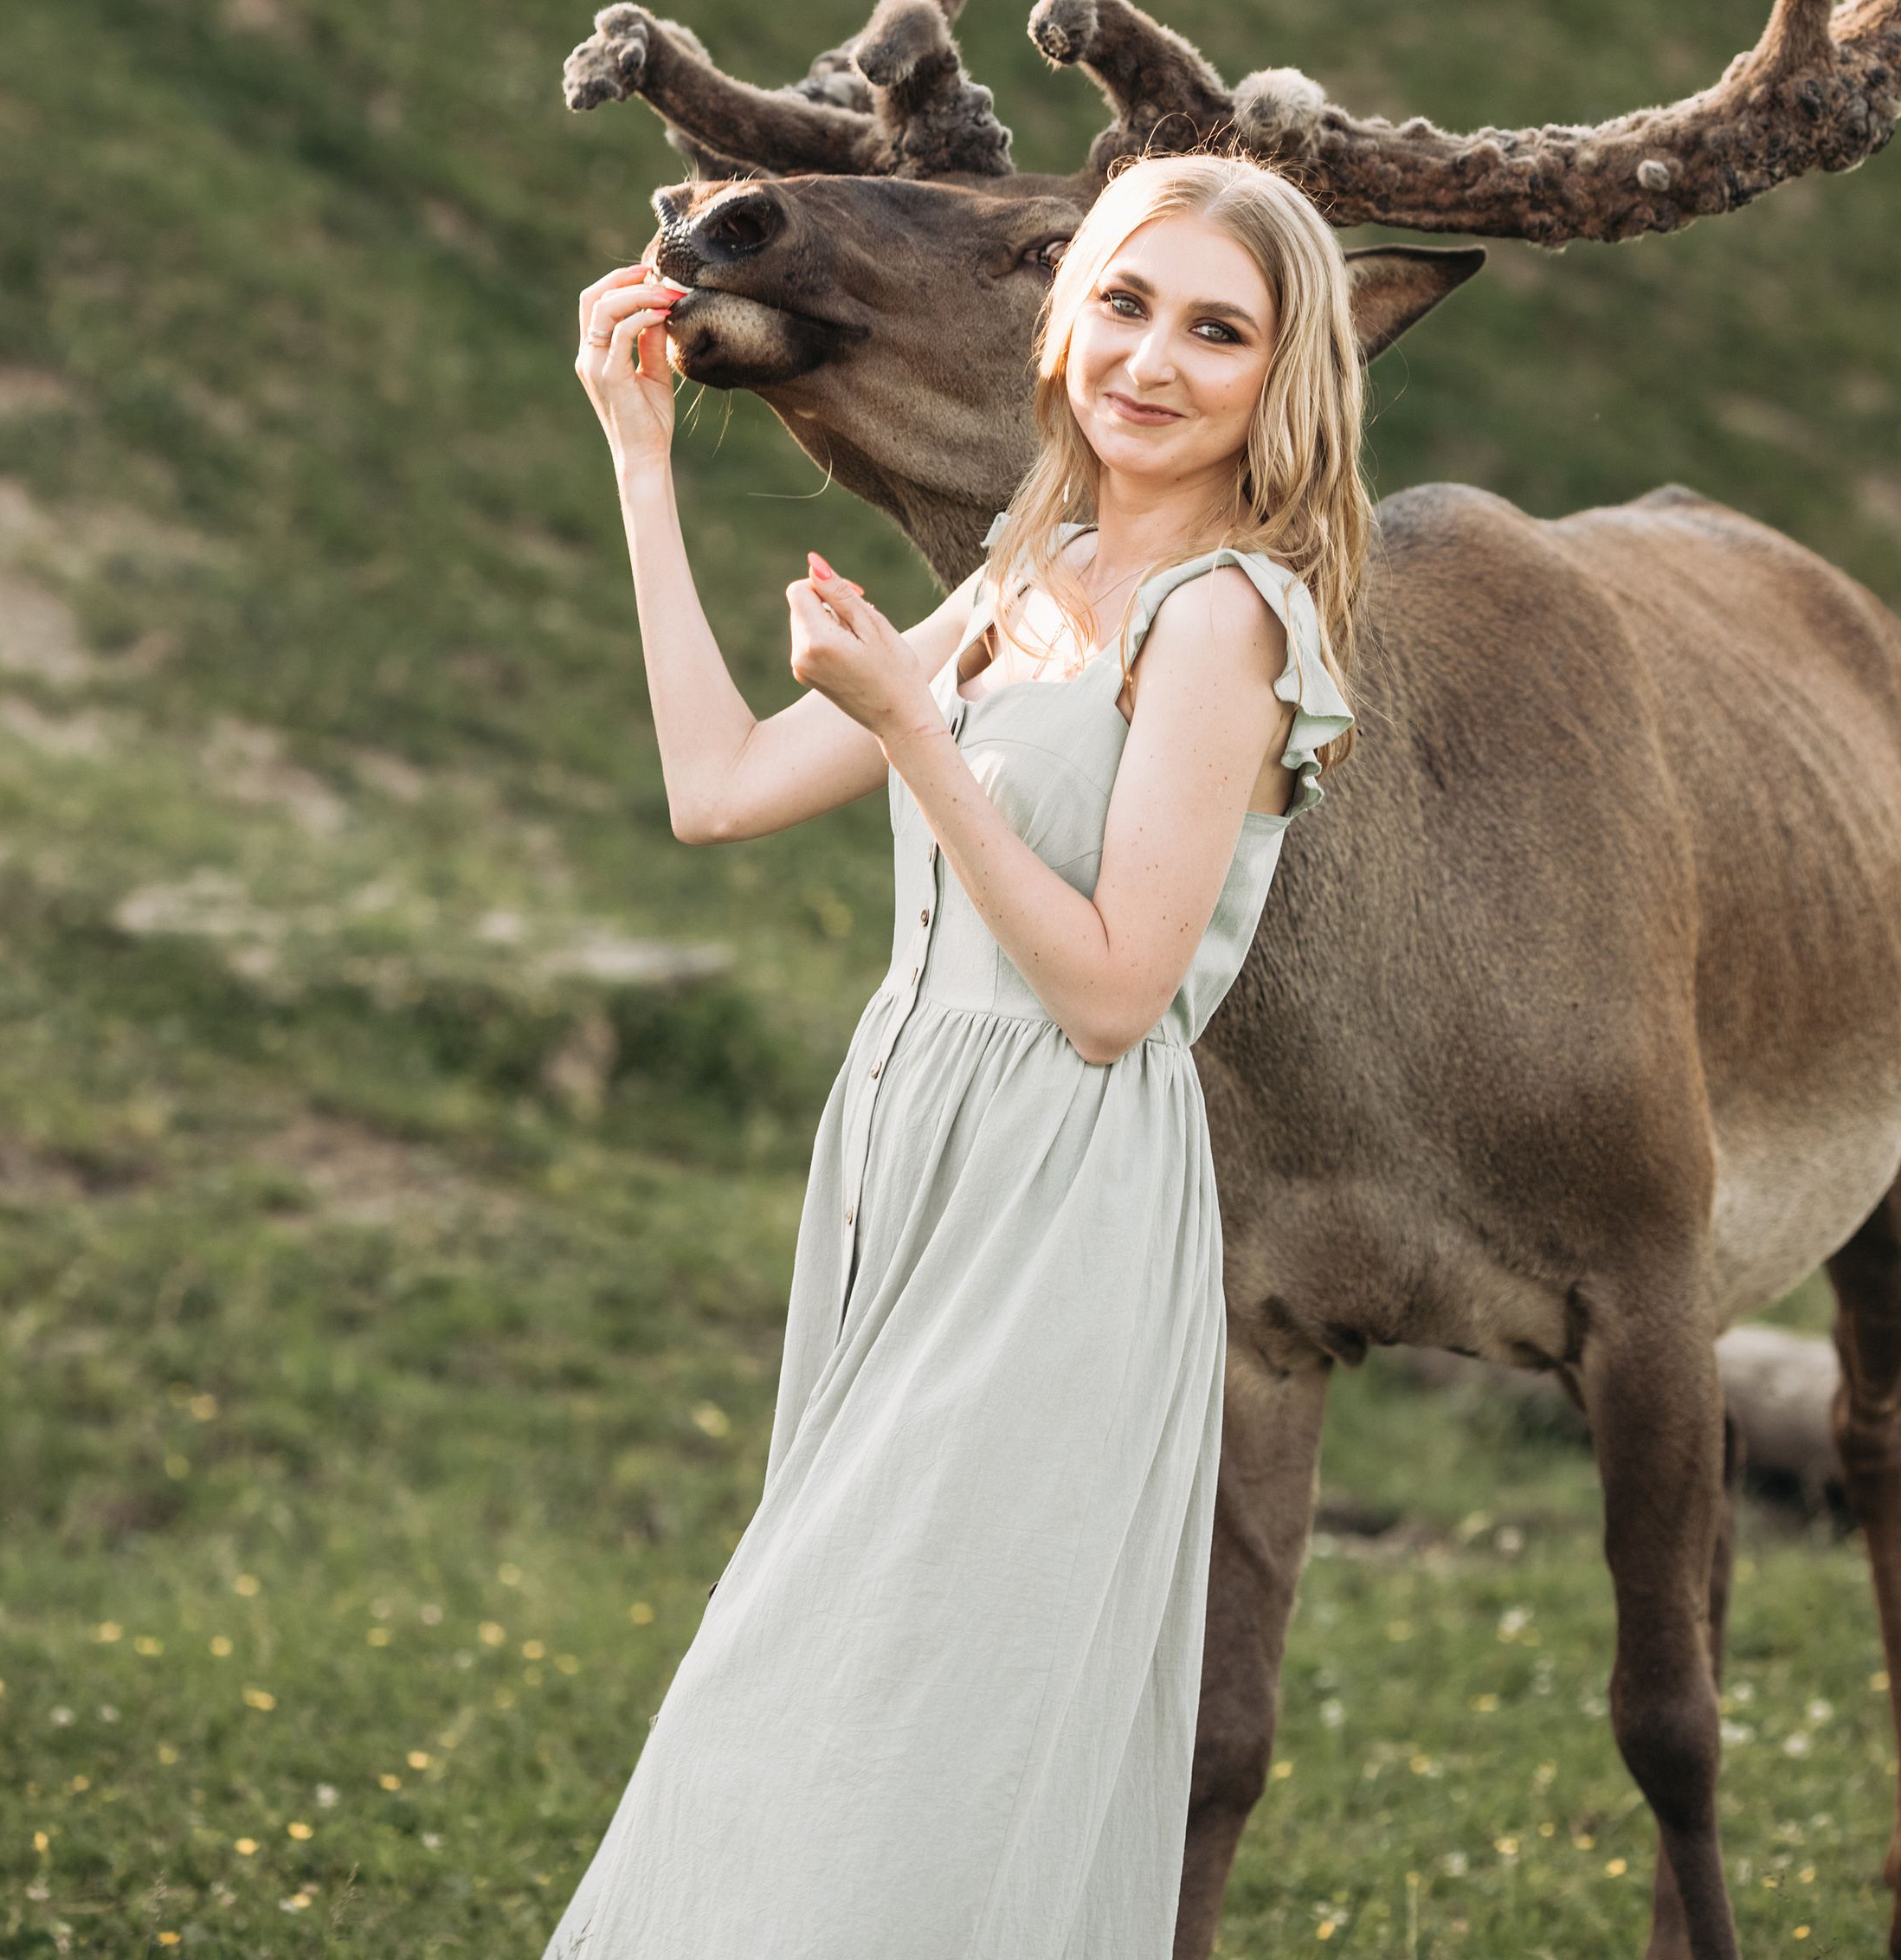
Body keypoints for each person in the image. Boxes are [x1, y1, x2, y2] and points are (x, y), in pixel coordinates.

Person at [549, 152, 1371, 1960]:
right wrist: (640, 462)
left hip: (1056, 1197)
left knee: (883, 1712)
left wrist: (915, 726)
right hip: (909, 1151)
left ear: (1283, 376)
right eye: (1124, 304)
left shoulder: (1223, 620)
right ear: (1065, 320)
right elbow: (720, 791)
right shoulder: (1038, 560)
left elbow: (1106, 997)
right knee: (822, 1683)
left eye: (1214, 330)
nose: (1150, 360)